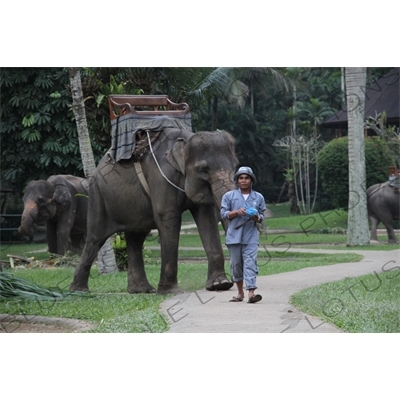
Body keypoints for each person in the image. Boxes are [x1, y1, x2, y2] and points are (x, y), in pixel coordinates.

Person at [221, 166, 266, 303]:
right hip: (234, 236)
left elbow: (262, 214)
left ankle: (251, 293)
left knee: (250, 263)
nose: (244, 180)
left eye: (247, 178)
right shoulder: (229, 196)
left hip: (251, 236)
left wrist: (257, 218)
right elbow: (223, 214)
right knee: (236, 265)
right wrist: (236, 212)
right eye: (241, 178)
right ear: (237, 180)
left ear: (251, 180)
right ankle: (240, 293)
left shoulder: (258, 197)